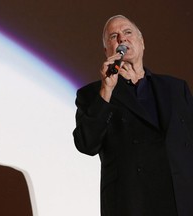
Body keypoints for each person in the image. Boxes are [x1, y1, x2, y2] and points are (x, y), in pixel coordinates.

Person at [73, 15, 193, 216]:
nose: (122, 39)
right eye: (113, 36)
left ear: (142, 42)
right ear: (107, 51)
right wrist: (107, 90)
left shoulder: (175, 88)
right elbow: (87, 144)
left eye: (128, 32)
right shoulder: (93, 95)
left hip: (181, 201)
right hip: (131, 204)